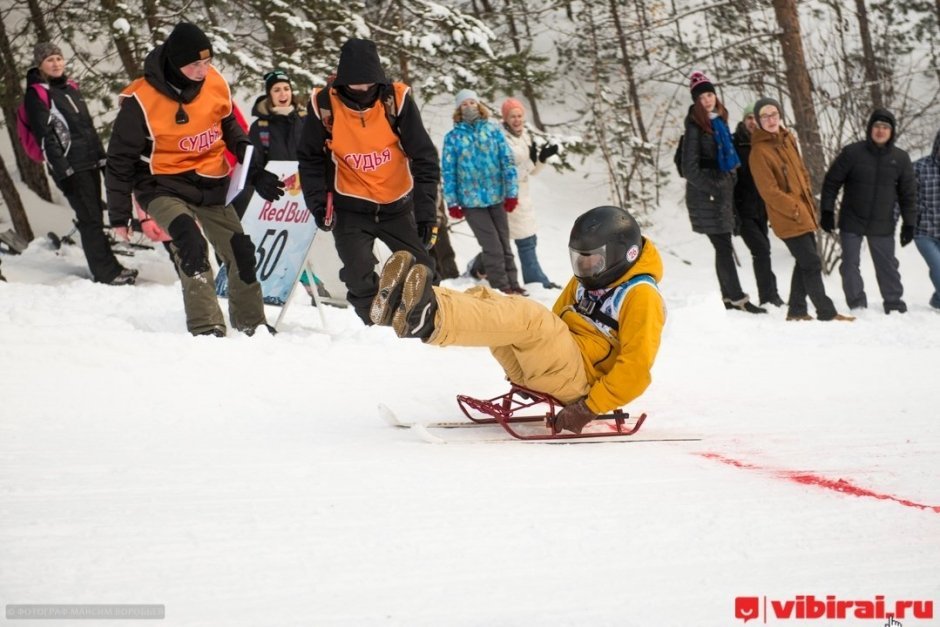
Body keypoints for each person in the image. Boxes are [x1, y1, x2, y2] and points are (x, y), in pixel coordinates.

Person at [370, 205, 666, 435]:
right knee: (489, 300)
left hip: (581, 386)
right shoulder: (587, 280)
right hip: (552, 368)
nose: (585, 268)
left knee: (530, 317)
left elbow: (636, 368)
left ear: (621, 256)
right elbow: (554, 322)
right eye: (580, 259)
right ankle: (410, 307)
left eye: (593, 260)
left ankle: (426, 318)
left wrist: (589, 409)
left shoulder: (641, 296)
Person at [106, 22, 284, 337]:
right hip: (161, 184)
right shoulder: (141, 102)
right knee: (190, 242)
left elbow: (228, 123)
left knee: (240, 250)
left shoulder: (214, 82)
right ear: (176, 64)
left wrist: (249, 160)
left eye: (207, 61)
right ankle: (207, 325)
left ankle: (250, 322)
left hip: (210, 180)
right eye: (195, 65)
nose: (203, 70)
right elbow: (120, 160)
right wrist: (119, 214)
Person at [297, 38, 440, 325]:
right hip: (350, 207)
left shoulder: (395, 101)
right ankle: (374, 326)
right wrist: (316, 204)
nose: (362, 91)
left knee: (423, 267)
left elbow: (425, 158)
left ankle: (421, 322)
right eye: (355, 86)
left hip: (396, 204)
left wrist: (426, 215)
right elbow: (309, 158)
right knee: (357, 272)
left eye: (368, 85)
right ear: (343, 82)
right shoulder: (324, 105)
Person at [24, 42, 136, 285]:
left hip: (90, 161)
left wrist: (101, 157)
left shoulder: (70, 88)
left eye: (58, 58)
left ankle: (110, 267)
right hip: (70, 166)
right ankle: (106, 273)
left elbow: (87, 129)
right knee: (90, 219)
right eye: (49, 60)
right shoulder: (37, 94)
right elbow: (46, 136)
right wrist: (64, 170)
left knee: (94, 215)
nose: (56, 63)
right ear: (40, 64)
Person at [748, 97, 853, 322]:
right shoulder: (759, 152)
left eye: (774, 114)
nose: (770, 119)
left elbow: (802, 172)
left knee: (804, 261)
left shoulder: (788, 139)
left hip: (803, 211)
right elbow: (769, 191)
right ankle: (826, 311)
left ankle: (796, 310)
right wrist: (794, 207)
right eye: (765, 116)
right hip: (787, 216)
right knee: (812, 262)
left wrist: (806, 202)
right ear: (758, 121)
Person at [682, 71, 765, 314]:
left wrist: (727, 182)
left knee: (724, 246)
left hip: (720, 195)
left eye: (710, 94)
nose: (707, 100)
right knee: (723, 246)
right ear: (695, 101)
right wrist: (715, 188)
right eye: (702, 97)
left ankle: (730, 298)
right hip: (706, 197)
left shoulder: (717, 121)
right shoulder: (695, 127)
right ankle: (737, 298)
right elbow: (690, 168)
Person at [820, 109, 917, 314]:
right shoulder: (852, 153)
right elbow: (831, 182)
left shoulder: (900, 158)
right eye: (877, 126)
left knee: (887, 265)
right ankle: (856, 303)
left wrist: (909, 224)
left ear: (891, 132)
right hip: (852, 219)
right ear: (870, 128)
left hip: (882, 222)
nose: (880, 131)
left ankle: (893, 302)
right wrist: (827, 210)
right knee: (849, 264)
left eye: (885, 127)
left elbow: (908, 195)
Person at [442, 89, 525, 295]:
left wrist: (512, 193)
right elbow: (449, 171)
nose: (469, 106)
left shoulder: (493, 130)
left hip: (496, 197)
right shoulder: (453, 138)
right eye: (464, 104)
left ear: (478, 105)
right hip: (471, 202)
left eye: (472, 102)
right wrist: (452, 202)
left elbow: (507, 161)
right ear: (458, 109)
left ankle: (514, 283)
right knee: (492, 246)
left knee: (505, 244)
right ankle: (501, 287)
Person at [499, 97, 561, 289]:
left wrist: (541, 159)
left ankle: (478, 268)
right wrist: (530, 162)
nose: (517, 120)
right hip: (509, 196)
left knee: (520, 240)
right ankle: (538, 282)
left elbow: (532, 171)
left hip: (524, 197)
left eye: (519, 116)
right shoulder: (502, 139)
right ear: (505, 118)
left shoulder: (524, 136)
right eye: (512, 116)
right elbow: (506, 173)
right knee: (525, 241)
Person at [732, 103, 784, 306]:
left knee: (764, 250)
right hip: (742, 209)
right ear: (744, 121)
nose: (753, 122)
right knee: (761, 250)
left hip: (762, 209)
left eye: (756, 118)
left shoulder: (764, 144)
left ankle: (772, 294)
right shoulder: (736, 144)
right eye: (749, 118)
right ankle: (768, 296)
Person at [912, 129, 940, 310]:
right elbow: (905, 198)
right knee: (938, 267)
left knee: (936, 269)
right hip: (924, 232)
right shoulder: (919, 167)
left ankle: (937, 300)